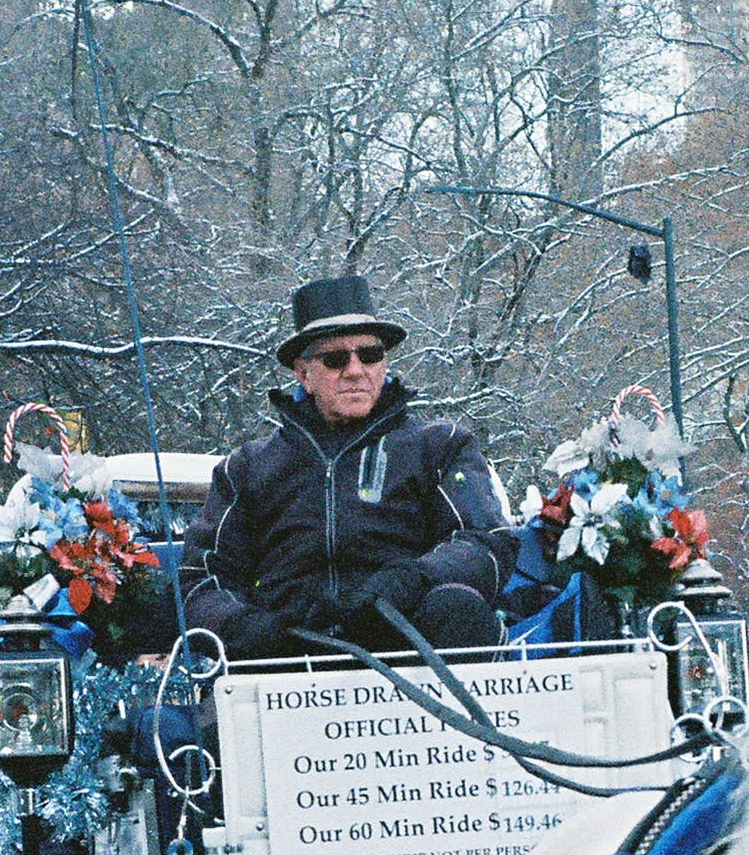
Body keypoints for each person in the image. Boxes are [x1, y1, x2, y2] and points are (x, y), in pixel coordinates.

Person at [184, 275, 509, 660]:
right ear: (303, 373)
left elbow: (486, 543)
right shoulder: (247, 468)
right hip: (289, 657)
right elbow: (201, 579)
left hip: (409, 644)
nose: (356, 370)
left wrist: (410, 579)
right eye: (336, 359)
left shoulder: (441, 447)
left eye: (369, 355)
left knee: (458, 607)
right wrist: (252, 627)